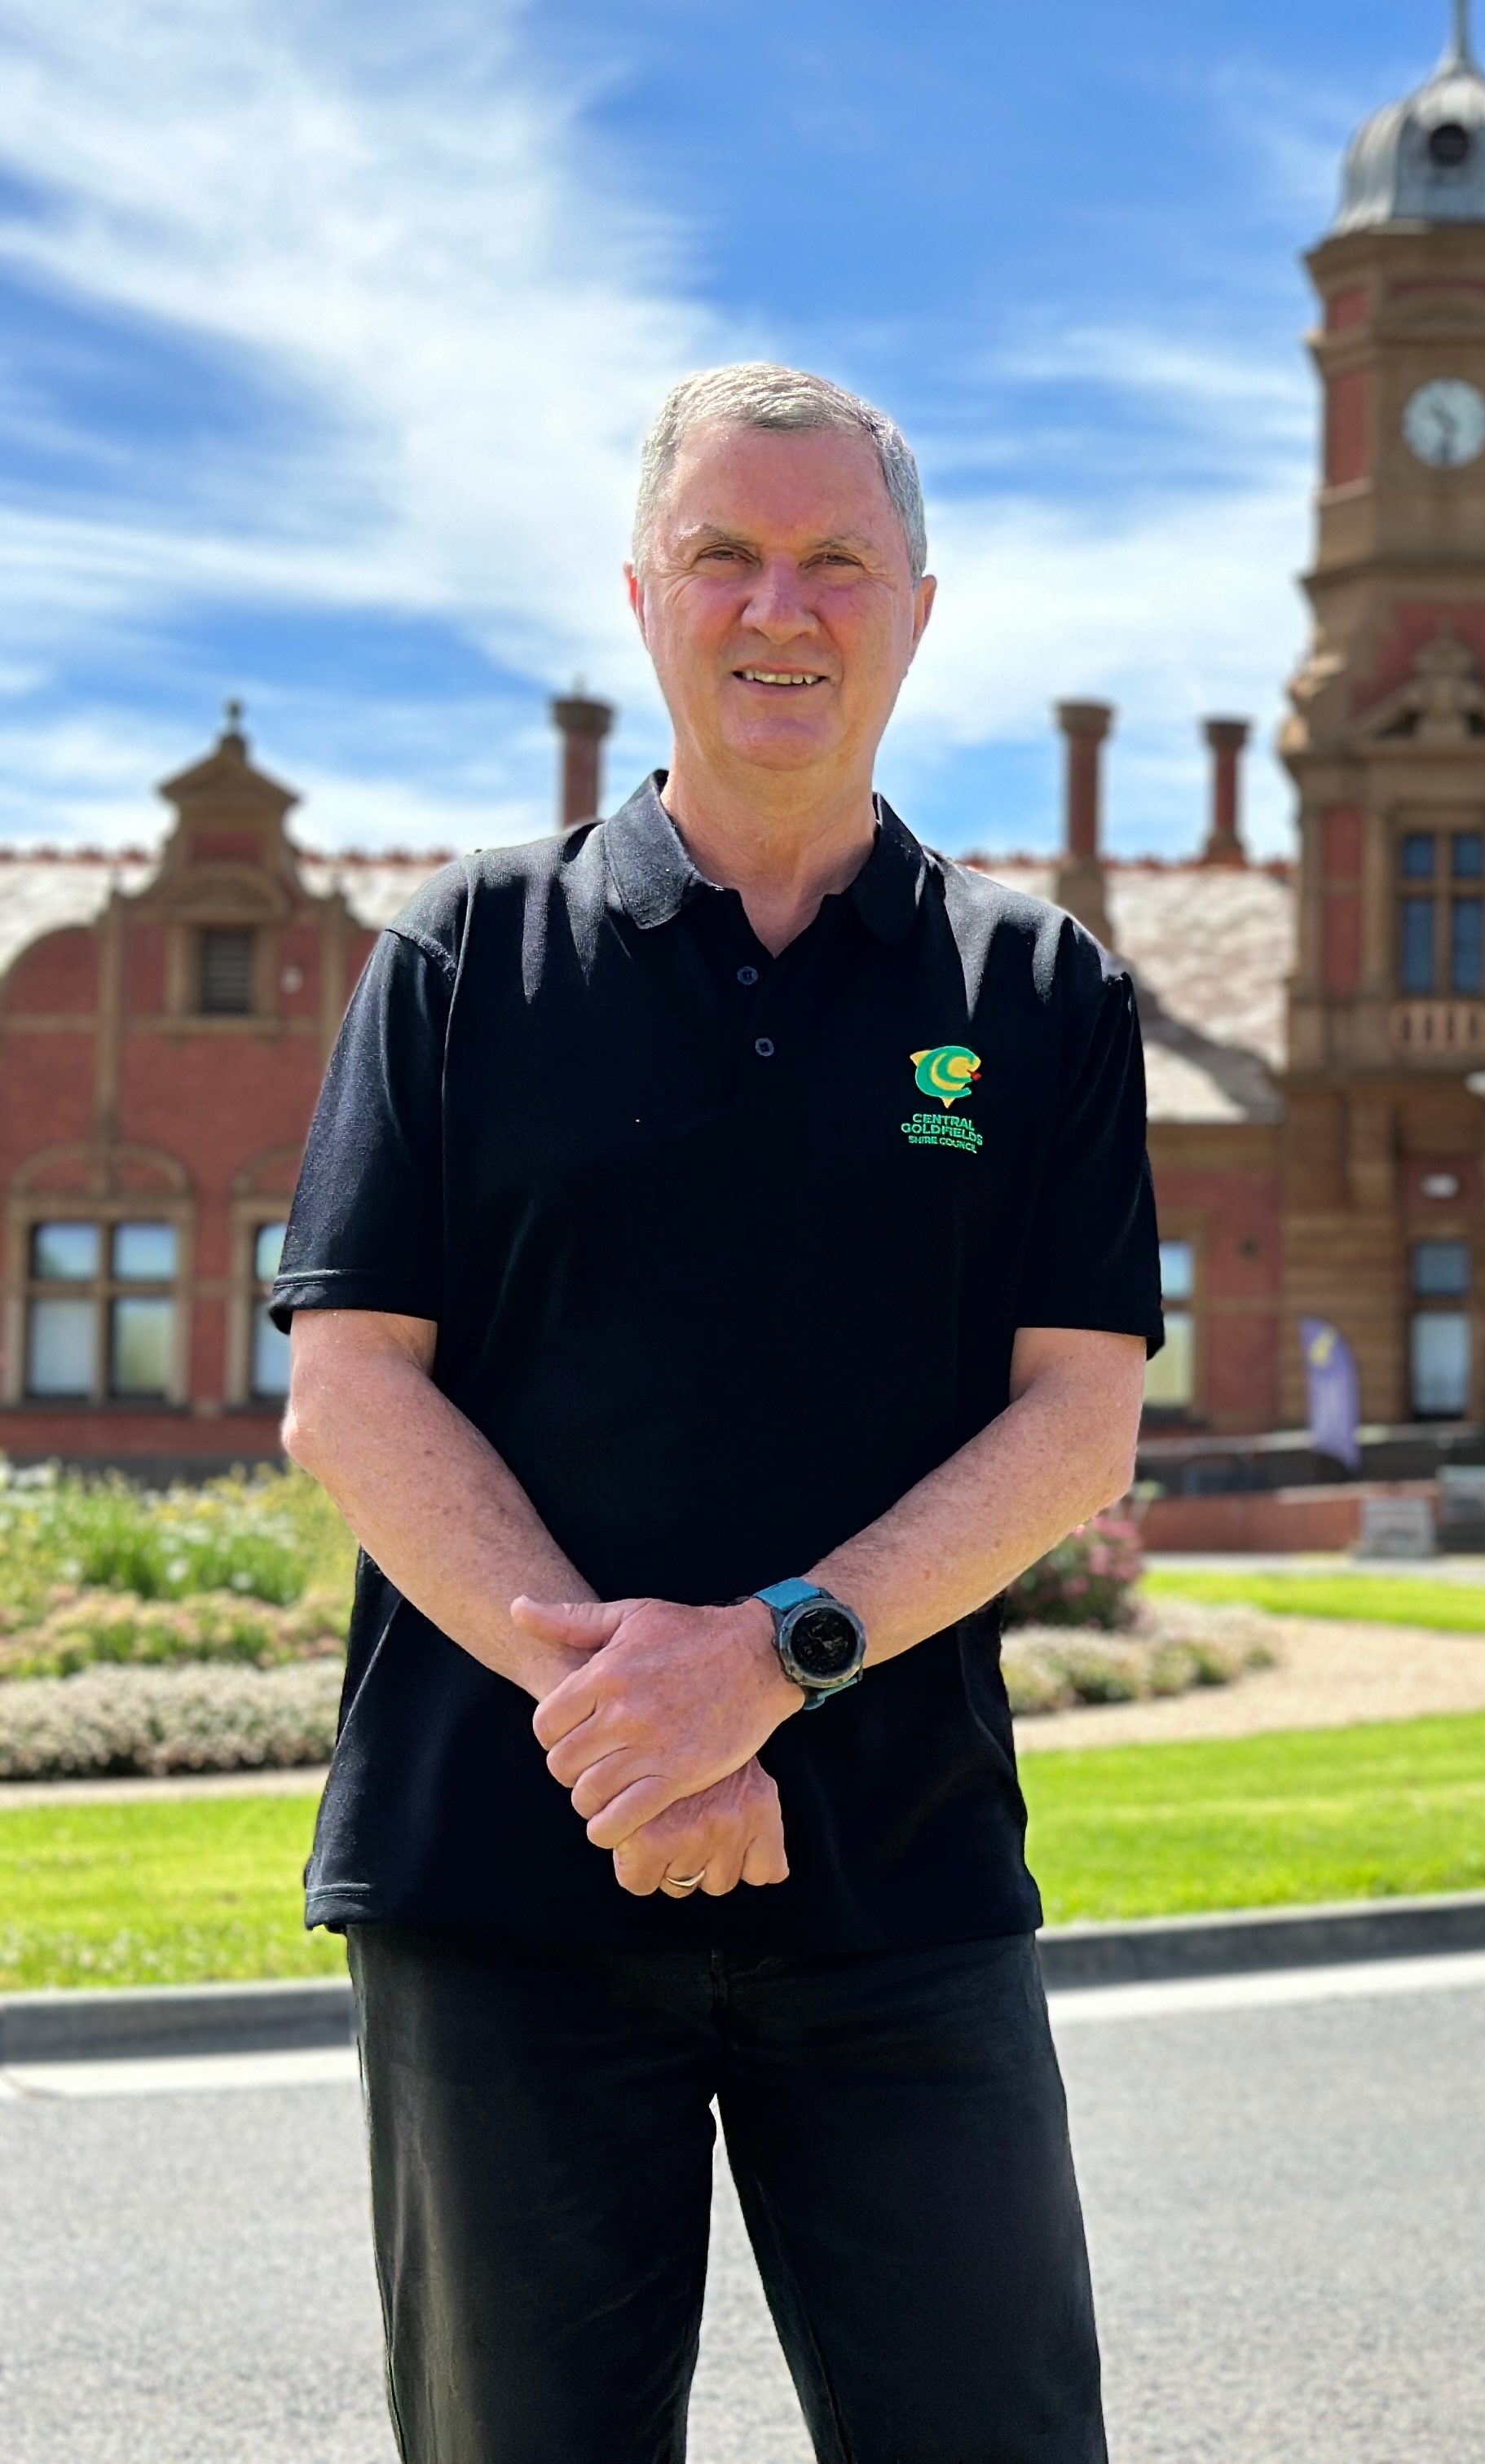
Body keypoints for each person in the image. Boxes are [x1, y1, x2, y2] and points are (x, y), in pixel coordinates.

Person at [275, 361, 1155, 2463]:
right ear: (644, 603)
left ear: (918, 608)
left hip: (899, 1885)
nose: (783, 605)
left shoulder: (1035, 995)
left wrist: (763, 1667)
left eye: (836, 558)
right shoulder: (468, 954)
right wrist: (636, 1733)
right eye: (726, 557)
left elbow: (1075, 1428)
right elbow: (350, 1391)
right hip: (502, 1878)